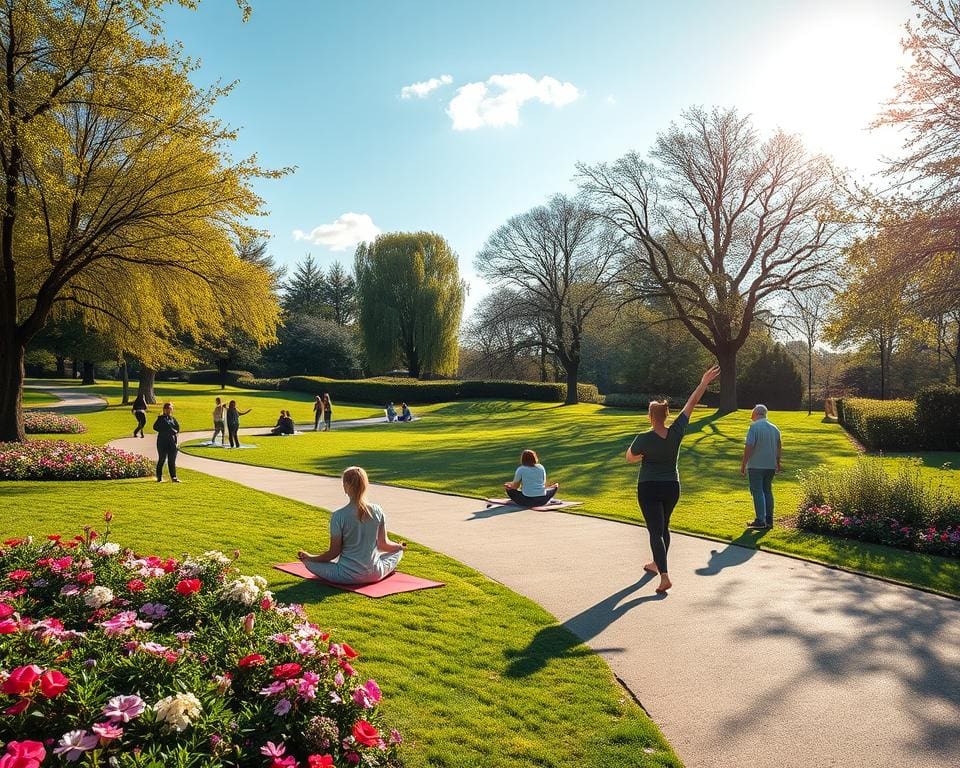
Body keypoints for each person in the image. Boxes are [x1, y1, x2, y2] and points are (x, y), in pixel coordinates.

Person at [625, 365, 721, 594]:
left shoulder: (643, 437)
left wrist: (644, 454)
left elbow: (630, 458)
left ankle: (664, 576)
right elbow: (692, 403)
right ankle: (657, 563)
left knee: (655, 531)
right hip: (672, 487)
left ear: (650, 417)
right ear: (667, 415)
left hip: (649, 487)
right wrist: (704, 382)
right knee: (663, 526)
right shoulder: (676, 431)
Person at [297, 466, 407, 585]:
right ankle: (397, 551)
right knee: (398, 552)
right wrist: (399, 546)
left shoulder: (339, 516)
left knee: (307, 562)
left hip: (346, 576)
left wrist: (311, 558)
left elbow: (333, 553)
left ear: (346, 486)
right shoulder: (377, 510)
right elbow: (383, 545)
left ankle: (308, 560)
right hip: (375, 573)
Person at [741, 404, 782, 529]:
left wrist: (743, 464)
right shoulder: (775, 428)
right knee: (767, 490)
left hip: (756, 465)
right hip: (770, 465)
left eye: (752, 413)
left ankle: (760, 519)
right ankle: (769, 519)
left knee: (757, 491)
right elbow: (779, 446)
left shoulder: (754, 428)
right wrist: (777, 462)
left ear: (756, 414)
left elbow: (749, 446)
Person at [153, 402, 180, 483]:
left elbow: (177, 428)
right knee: (162, 459)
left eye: (170, 409)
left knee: (171, 460)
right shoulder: (161, 418)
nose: (169, 410)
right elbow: (155, 427)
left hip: (172, 442)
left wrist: (174, 432)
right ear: (164, 409)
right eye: (168, 409)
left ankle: (173, 477)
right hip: (162, 441)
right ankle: (159, 477)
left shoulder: (172, 419)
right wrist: (166, 430)